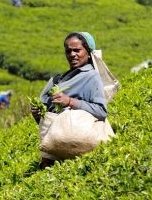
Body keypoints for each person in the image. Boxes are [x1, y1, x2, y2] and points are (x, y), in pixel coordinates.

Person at [30, 32, 108, 169]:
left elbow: (101, 111)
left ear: (88, 53)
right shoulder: (57, 80)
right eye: (68, 51)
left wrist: (70, 101)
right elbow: (47, 119)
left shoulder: (91, 77)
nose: (72, 54)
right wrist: (38, 114)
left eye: (77, 50)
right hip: (53, 150)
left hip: (78, 143)